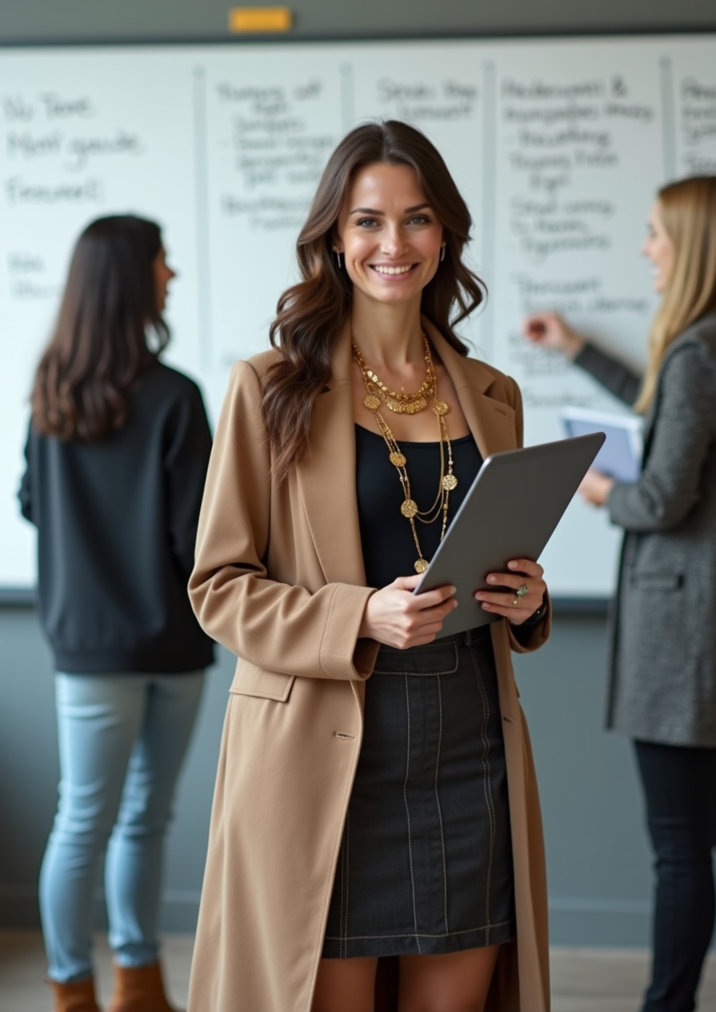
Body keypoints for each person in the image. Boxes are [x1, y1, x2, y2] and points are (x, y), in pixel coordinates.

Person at [187, 120, 552, 1012]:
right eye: (368, 221)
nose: (395, 244)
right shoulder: (268, 388)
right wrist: (357, 615)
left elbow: (504, 563)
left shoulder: (494, 394)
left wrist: (526, 598)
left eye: (418, 220)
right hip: (325, 760)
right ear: (333, 237)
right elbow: (218, 588)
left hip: (468, 748)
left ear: (445, 235)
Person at [523, 175, 716, 1012]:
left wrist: (594, 491)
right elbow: (670, 420)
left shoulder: (700, 349)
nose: (646, 248)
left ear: (693, 246)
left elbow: (661, 496)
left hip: (683, 639)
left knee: (679, 846)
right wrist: (578, 350)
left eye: (657, 233)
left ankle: (667, 1006)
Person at [18, 215, 214, 1012]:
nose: (171, 274)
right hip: (173, 642)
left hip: (88, 647)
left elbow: (32, 503)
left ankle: (73, 991)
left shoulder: (50, 395)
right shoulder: (176, 398)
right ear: (136, 278)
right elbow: (196, 532)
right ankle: (139, 985)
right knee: (144, 820)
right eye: (162, 261)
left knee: (83, 821)